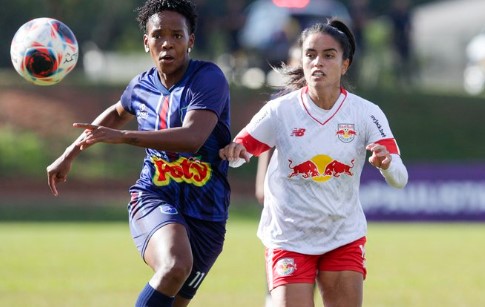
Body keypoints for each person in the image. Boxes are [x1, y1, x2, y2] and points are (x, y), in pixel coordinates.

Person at [46, 1, 231, 306]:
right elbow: (117, 113)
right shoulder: (140, 86)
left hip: (208, 212)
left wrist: (122, 137)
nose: (167, 43)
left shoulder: (208, 79)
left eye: (177, 35)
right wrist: (71, 151)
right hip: (154, 196)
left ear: (191, 41)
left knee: (173, 297)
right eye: (158, 35)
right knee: (174, 265)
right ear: (147, 42)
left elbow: (193, 138)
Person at [220, 18, 408, 307]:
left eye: (328, 55)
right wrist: (235, 154)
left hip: (343, 234)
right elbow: (241, 152)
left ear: (345, 64)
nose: (317, 62)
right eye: (310, 55)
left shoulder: (366, 114)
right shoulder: (279, 111)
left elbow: (400, 178)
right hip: (289, 237)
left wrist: (386, 165)